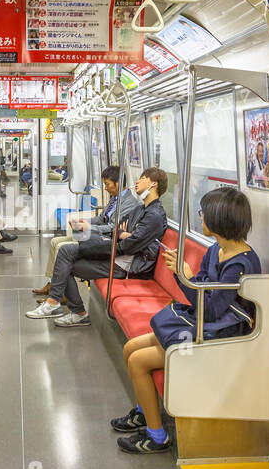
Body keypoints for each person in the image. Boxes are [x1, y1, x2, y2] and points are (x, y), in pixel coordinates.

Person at [110, 186, 261, 454]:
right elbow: (201, 293)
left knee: (138, 361)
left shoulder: (241, 264)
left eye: (203, 214)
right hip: (203, 322)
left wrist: (184, 276)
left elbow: (213, 308)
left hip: (222, 335)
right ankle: (144, 413)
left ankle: (157, 437)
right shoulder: (217, 249)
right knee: (130, 347)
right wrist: (187, 276)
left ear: (218, 219)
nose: (200, 218)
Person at [25, 167, 169, 327]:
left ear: (153, 184)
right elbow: (118, 229)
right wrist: (122, 233)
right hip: (119, 254)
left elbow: (130, 245)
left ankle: (74, 310)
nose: (137, 181)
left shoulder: (154, 215)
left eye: (143, 178)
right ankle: (57, 302)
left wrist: (103, 247)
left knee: (68, 264)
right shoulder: (141, 209)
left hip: (126, 265)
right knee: (66, 252)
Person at [33, 164, 138, 298]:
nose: (105, 188)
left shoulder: (129, 204)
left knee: (62, 247)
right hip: (97, 234)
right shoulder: (115, 198)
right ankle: (51, 282)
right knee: (55, 241)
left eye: (107, 184)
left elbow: (113, 228)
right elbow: (101, 218)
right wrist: (83, 223)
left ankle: (62, 293)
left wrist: (88, 228)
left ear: (117, 183)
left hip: (104, 240)